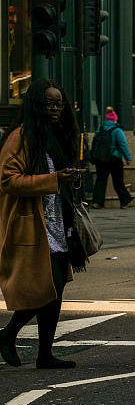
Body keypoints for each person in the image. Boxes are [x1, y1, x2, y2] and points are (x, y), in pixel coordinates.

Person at [0, 79, 89, 370]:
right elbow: (7, 179)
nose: (55, 109)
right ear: (37, 104)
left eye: (59, 103)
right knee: (46, 286)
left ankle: (44, 355)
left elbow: (57, 175)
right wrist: (53, 180)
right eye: (49, 103)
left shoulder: (56, 134)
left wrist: (71, 178)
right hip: (32, 225)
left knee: (56, 287)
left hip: (57, 223)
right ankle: (8, 335)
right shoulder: (20, 136)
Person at [90, 108, 133, 210]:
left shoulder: (99, 129)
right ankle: (125, 202)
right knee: (118, 181)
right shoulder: (117, 130)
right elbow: (123, 144)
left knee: (100, 180)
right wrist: (128, 158)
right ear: (114, 120)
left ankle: (97, 202)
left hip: (101, 160)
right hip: (115, 159)